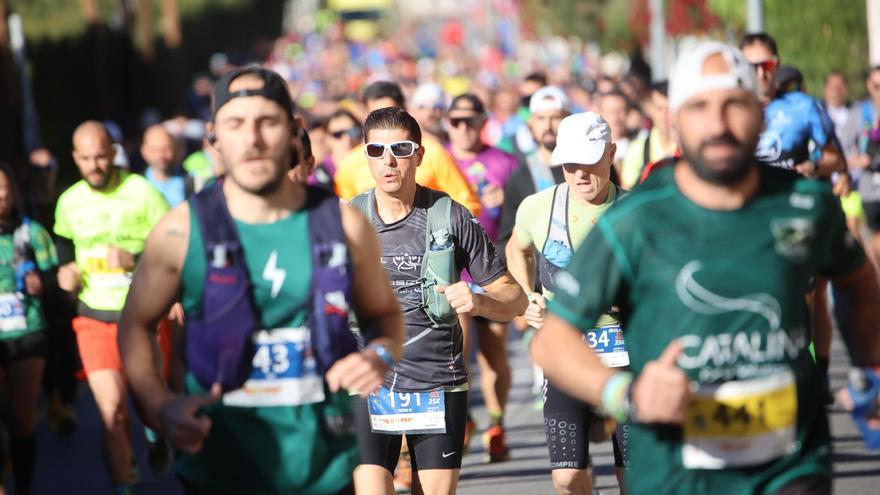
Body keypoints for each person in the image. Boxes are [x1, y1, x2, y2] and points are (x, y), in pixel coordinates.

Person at [532, 40, 880, 495]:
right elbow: (553, 341)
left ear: (760, 113)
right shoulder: (636, 220)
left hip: (791, 460)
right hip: (677, 472)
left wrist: (868, 366)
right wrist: (625, 394)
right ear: (675, 120)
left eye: (734, 105)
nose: (718, 124)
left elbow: (857, 279)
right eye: (699, 107)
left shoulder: (805, 205)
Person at [118, 66, 405, 495]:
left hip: (323, 469)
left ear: (294, 131)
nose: (252, 139)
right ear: (214, 136)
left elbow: (385, 316)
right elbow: (135, 323)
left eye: (267, 122)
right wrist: (160, 406)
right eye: (236, 124)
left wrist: (378, 356)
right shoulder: (180, 231)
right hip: (218, 469)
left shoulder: (342, 224)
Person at [350, 106, 526, 494]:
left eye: (400, 148)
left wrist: (478, 302)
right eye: (376, 151)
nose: (389, 160)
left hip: (437, 383)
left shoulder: (450, 216)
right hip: (368, 383)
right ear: (366, 156)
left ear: (419, 155)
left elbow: (514, 299)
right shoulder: (349, 220)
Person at [506, 112, 627, 495]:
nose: (578, 174)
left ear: (611, 153)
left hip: (628, 352)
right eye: (569, 164)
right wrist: (527, 297)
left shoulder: (638, 211)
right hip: (567, 352)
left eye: (589, 161)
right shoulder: (537, 208)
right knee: (567, 476)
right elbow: (516, 249)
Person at [55, 121, 170, 494]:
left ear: (114, 152)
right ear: (75, 158)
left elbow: (172, 247)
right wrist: (65, 274)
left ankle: (155, 436)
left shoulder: (142, 192)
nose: (94, 165)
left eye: (101, 156)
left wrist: (134, 257)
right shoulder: (69, 201)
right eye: (86, 158)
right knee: (111, 412)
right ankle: (123, 486)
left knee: (148, 404)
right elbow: (62, 255)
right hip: (94, 317)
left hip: (142, 317)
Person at [741, 32, 848, 403]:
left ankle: (812, 375)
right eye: (751, 65)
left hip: (791, 221)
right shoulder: (724, 108)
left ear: (776, 64)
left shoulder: (803, 107)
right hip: (743, 226)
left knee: (801, 303)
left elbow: (836, 159)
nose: (759, 74)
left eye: (766, 65)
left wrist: (811, 165)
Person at [444, 93, 520, 462]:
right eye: (455, 120)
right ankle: (464, 419)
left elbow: (523, 218)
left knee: (494, 357)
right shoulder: (438, 161)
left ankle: (496, 423)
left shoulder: (504, 162)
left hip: (493, 272)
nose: (463, 127)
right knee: (457, 355)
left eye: (470, 120)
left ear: (483, 121)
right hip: (453, 272)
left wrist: (507, 200)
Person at [333, 81, 482, 216]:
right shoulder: (350, 163)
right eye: (376, 114)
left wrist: (438, 233)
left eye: (390, 112)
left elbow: (468, 203)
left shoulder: (433, 153)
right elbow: (345, 213)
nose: (388, 160)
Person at [0, 162, 58, 495]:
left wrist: (43, 283)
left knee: (20, 416)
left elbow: (59, 277)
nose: (1, 196)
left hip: (27, 330)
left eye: (5, 189)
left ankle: (24, 487)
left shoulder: (31, 232)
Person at [621, 81, 678, 189]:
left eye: (670, 109)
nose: (665, 116)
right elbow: (628, 195)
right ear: (649, 109)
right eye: (659, 108)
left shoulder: (689, 148)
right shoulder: (637, 150)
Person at [141, 125, 193, 207]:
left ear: (175, 149)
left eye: (165, 149)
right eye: (154, 150)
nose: (160, 155)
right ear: (144, 150)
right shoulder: (138, 184)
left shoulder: (192, 180)